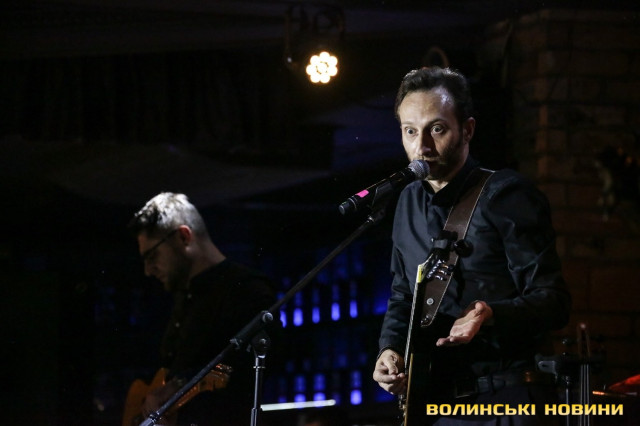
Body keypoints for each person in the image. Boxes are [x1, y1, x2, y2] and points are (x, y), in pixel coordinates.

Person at [372, 67, 572, 425]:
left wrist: (491, 314)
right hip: (436, 406)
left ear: (467, 130)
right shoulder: (407, 202)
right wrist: (389, 349)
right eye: (410, 131)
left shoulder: (506, 195)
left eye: (437, 129)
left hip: (505, 400)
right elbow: (404, 294)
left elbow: (554, 301)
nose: (422, 147)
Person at [127, 192, 278, 426]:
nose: (148, 270)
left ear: (183, 236)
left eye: (152, 255)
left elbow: (253, 368)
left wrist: (180, 385)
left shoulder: (246, 289)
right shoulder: (183, 295)